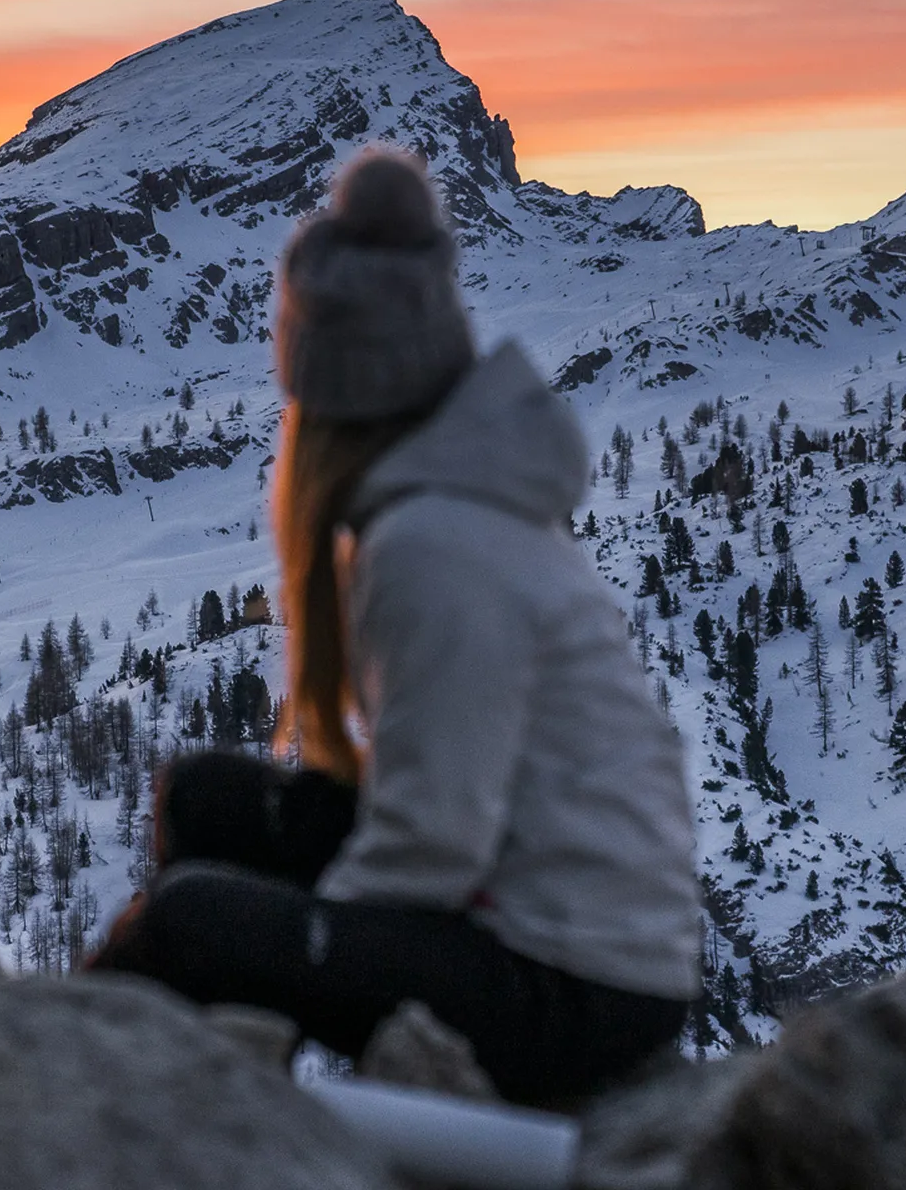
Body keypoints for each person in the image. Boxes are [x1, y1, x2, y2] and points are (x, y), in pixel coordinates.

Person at [85, 145, 700, 1107]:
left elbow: (432, 843)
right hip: (547, 919)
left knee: (189, 923)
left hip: (574, 989)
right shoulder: (455, 504)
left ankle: (71, 1107)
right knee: (207, 798)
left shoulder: (433, 543)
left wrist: (292, 942)